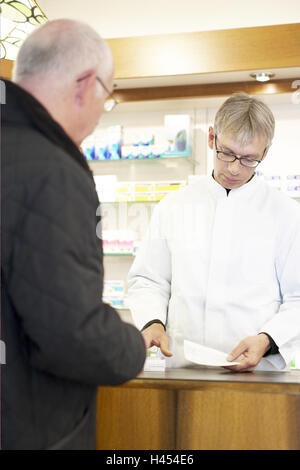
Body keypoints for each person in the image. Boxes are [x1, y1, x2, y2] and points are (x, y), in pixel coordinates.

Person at [1, 19, 146, 450]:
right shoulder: (52, 171)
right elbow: (70, 333)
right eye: (107, 93)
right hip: (33, 426)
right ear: (85, 84)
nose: (103, 110)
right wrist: (133, 345)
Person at [128, 92, 300, 372]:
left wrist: (268, 339)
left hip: (258, 376)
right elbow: (149, 280)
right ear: (212, 138)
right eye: (227, 153)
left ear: (265, 153)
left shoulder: (286, 214)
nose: (234, 168)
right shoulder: (173, 206)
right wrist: (153, 322)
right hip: (184, 369)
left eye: (248, 159)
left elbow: (298, 298)